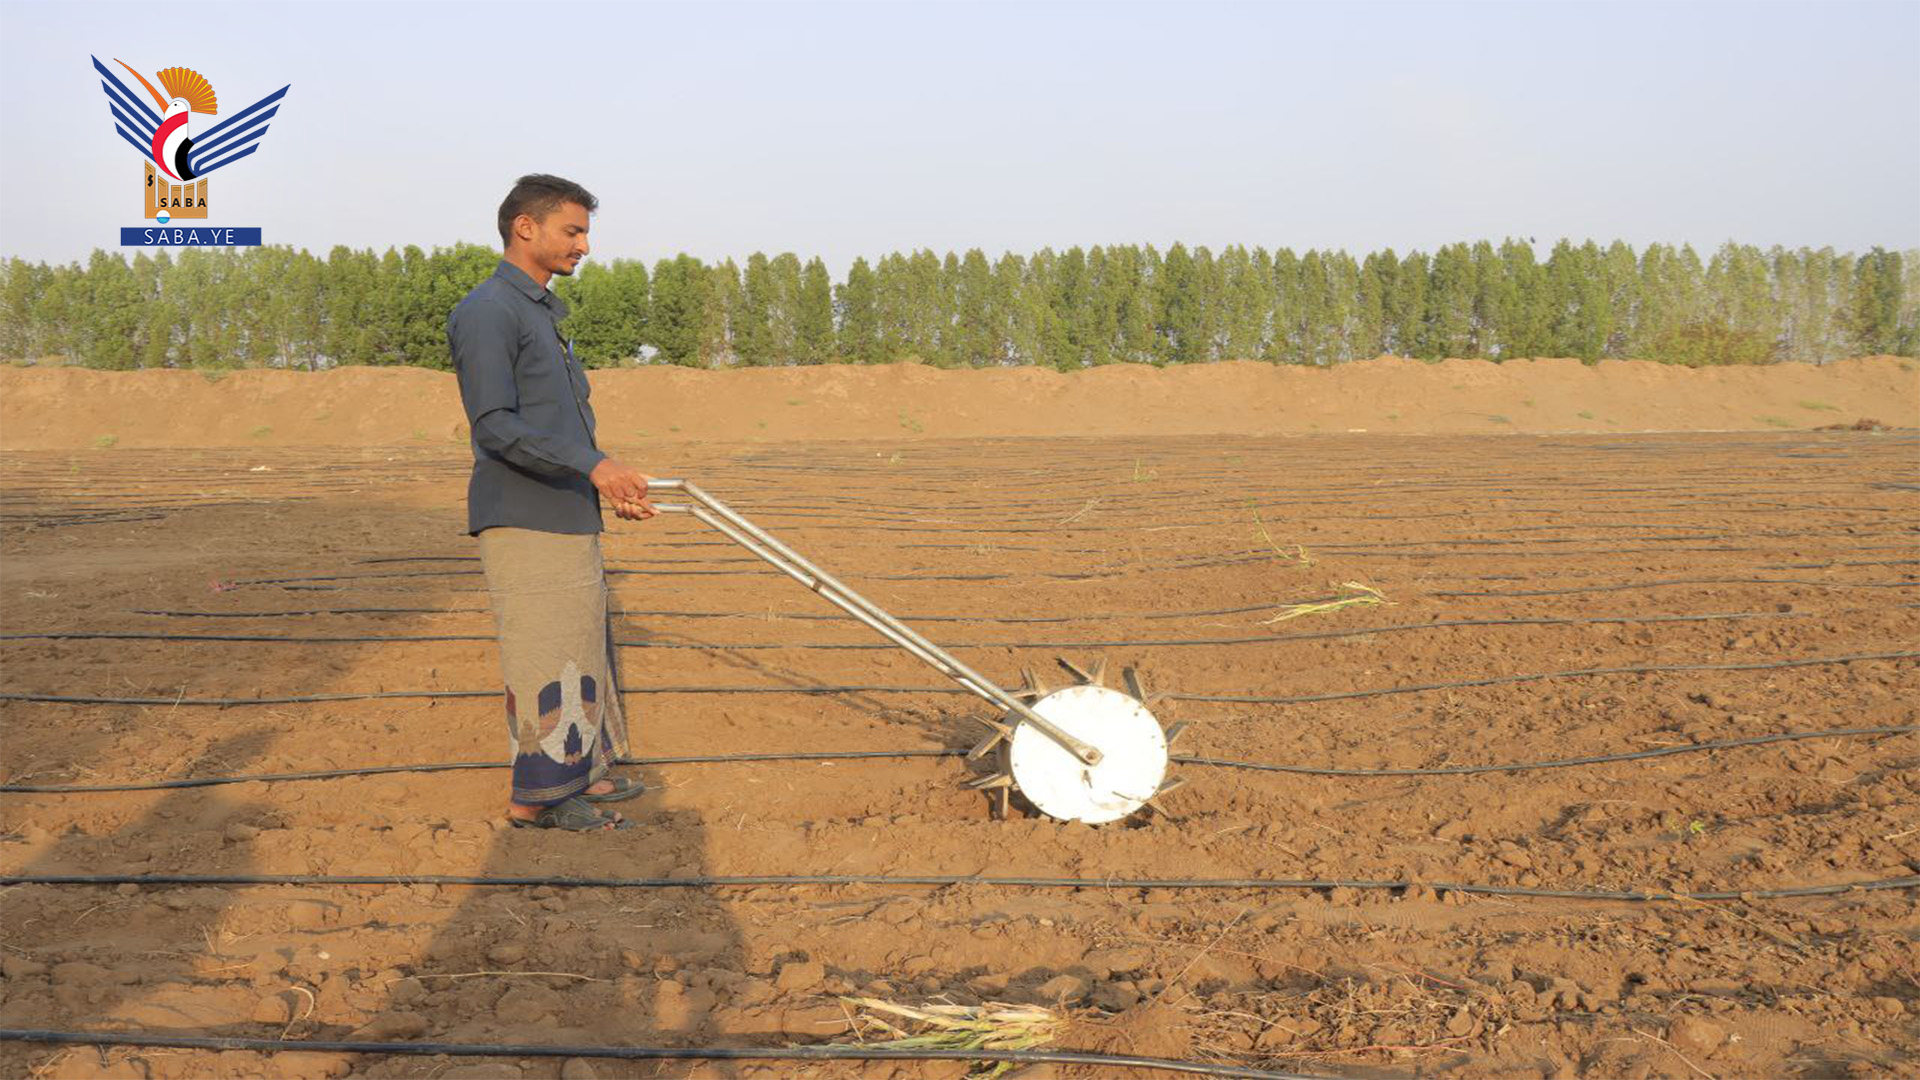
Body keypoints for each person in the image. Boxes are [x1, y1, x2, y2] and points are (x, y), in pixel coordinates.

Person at [448, 173, 655, 831]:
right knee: (544, 652)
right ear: (525, 227)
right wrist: (593, 465)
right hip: (524, 512)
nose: (585, 246)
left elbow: (555, 425)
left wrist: (603, 480)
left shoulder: (538, 310)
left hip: (563, 508)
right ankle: (537, 799)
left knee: (575, 647)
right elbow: (496, 427)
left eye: (586, 231)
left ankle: (580, 773)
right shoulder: (489, 311)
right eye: (574, 230)